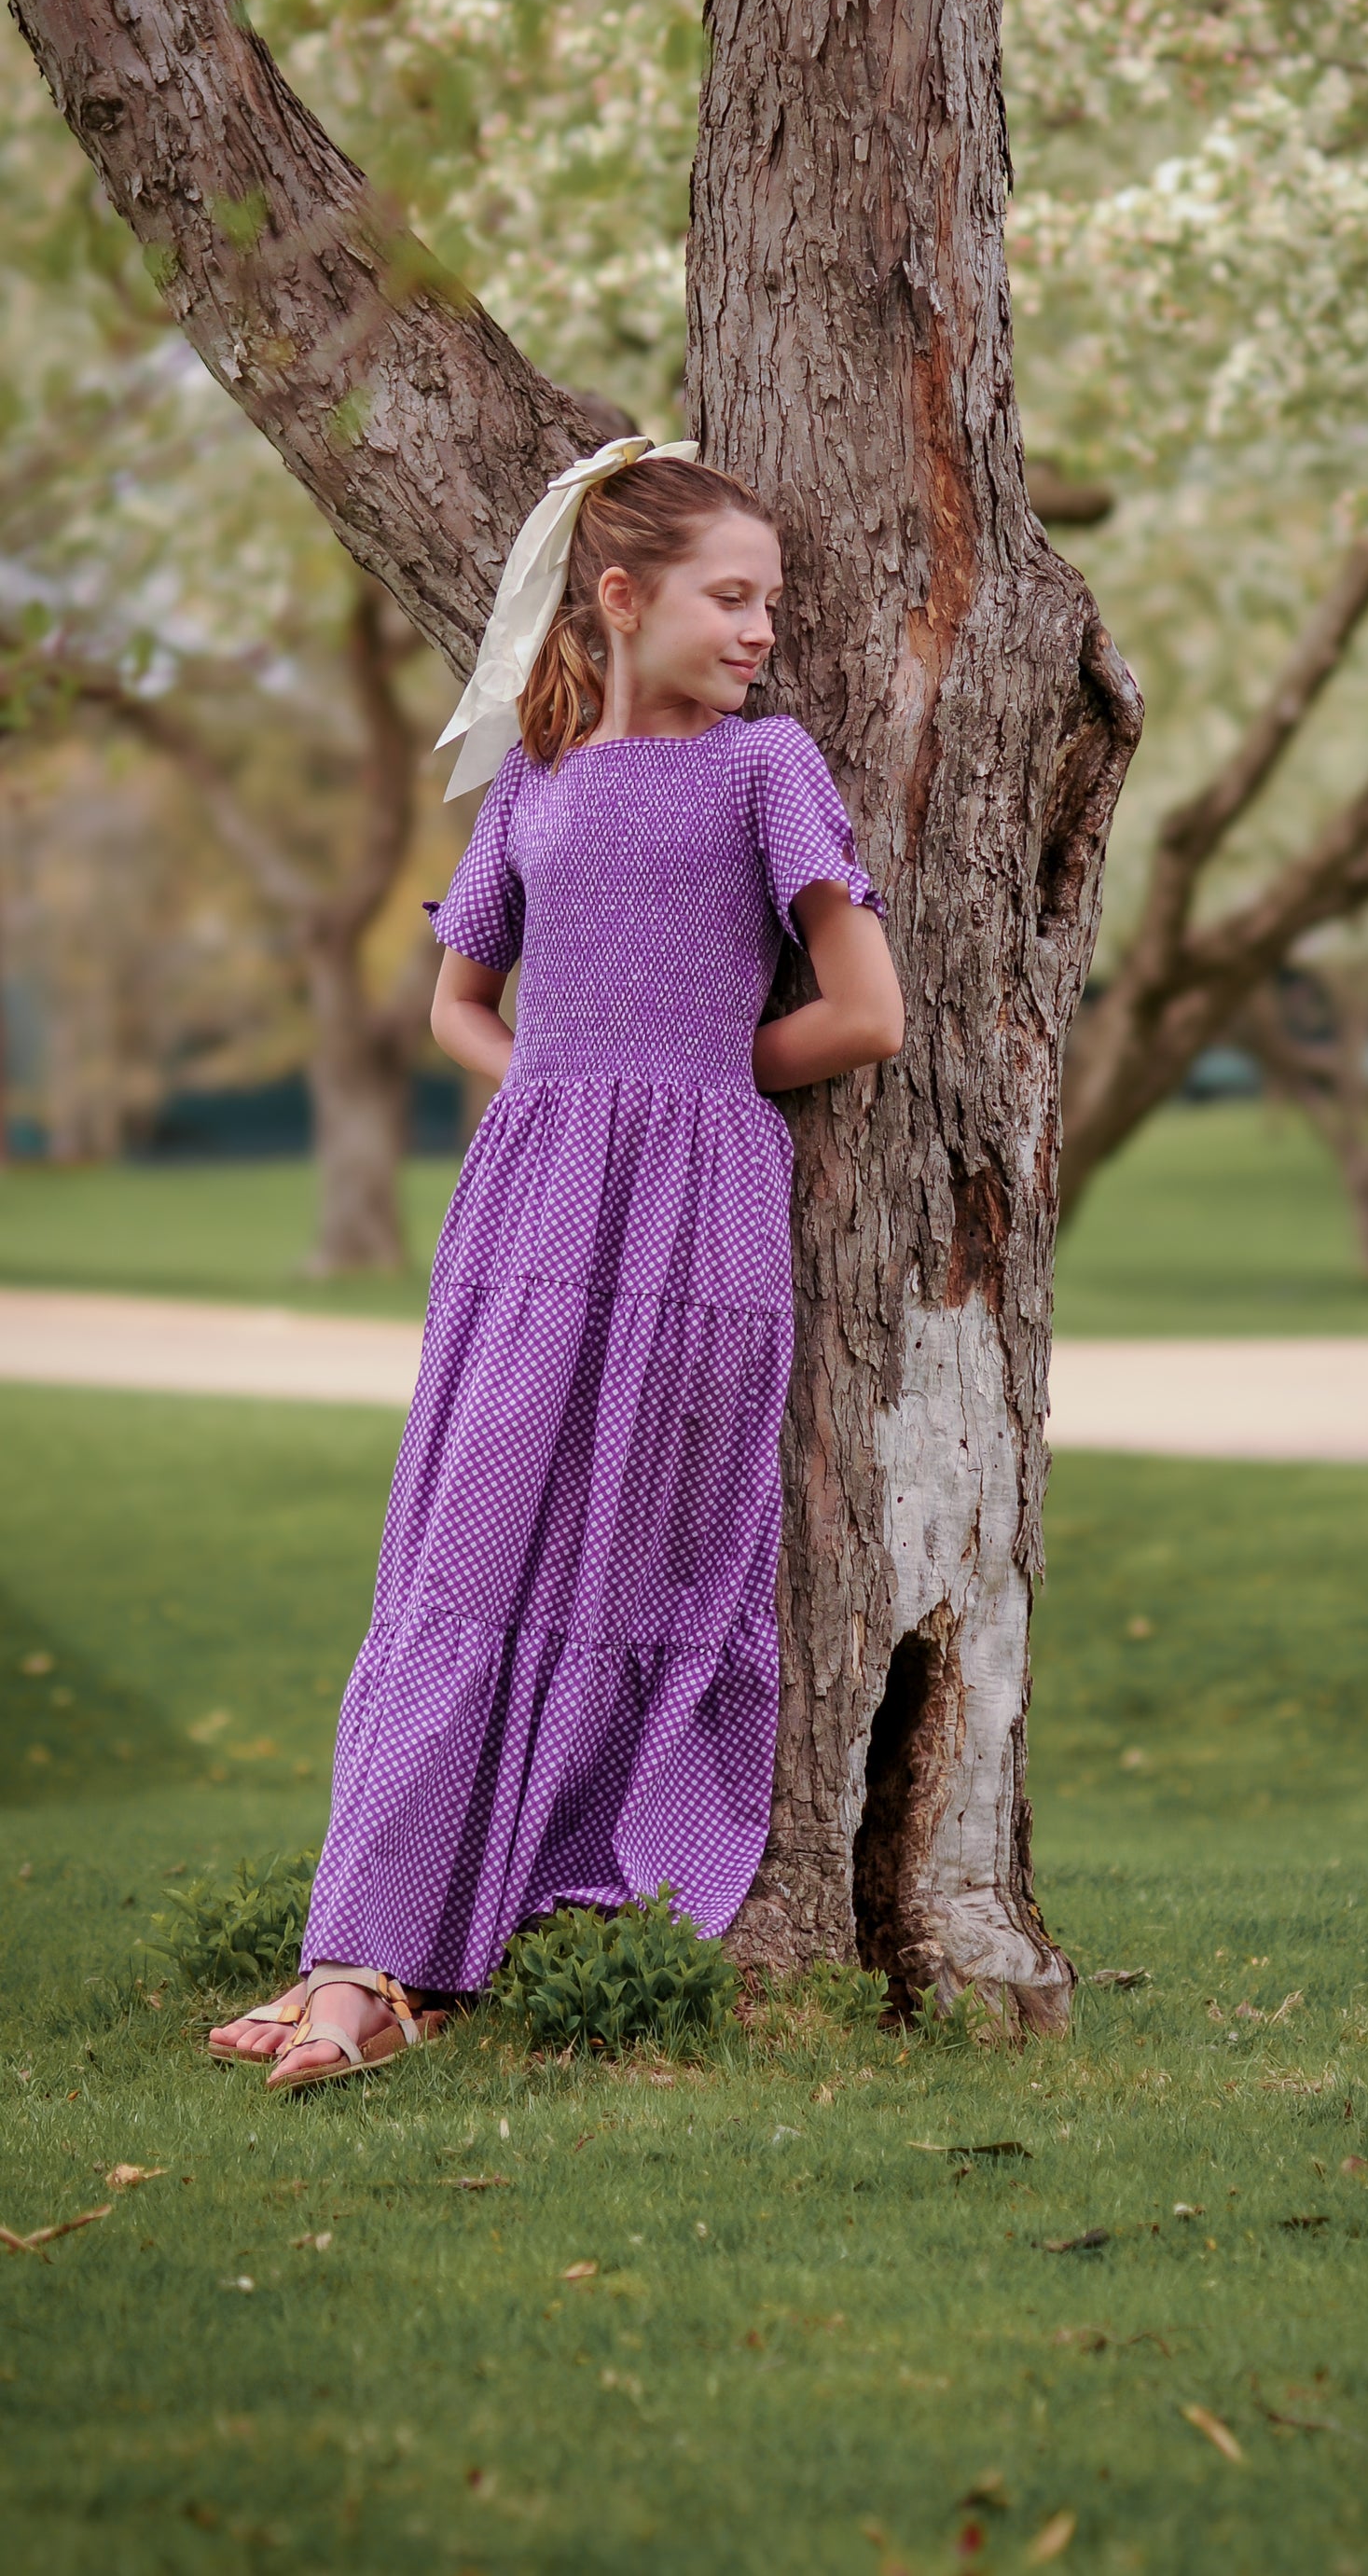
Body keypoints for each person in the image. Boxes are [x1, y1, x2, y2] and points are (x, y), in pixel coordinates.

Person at [209, 437, 903, 2089]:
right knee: (464, 1554)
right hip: (530, 1205)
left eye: (770, 603)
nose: (758, 632)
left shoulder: (768, 768)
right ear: (619, 597)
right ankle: (362, 1959)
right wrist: (557, 1080)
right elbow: (457, 999)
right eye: (730, 598)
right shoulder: (531, 785)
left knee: (627, 1559)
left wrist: (678, 1077)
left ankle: (448, 1953)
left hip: (695, 1206)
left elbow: (865, 1012)